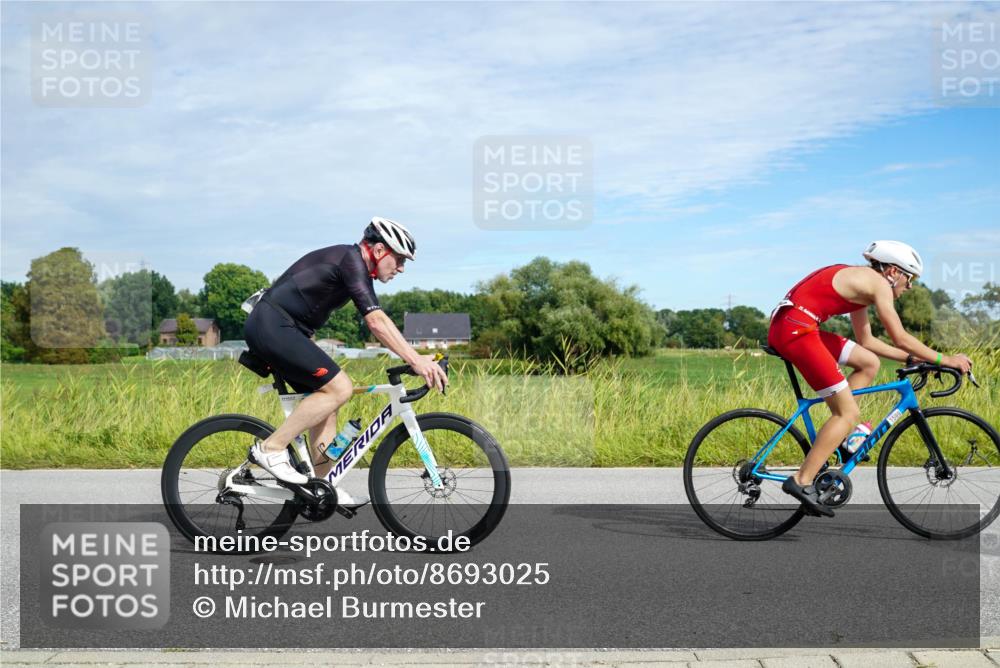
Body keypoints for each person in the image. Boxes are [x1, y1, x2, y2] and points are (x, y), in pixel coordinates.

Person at [243, 217, 448, 507]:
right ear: (379, 251)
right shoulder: (350, 260)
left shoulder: (353, 264)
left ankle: (322, 485)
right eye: (399, 259)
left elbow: (378, 322)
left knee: (327, 402)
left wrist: (417, 357)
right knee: (340, 388)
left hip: (284, 328)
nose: (401, 268)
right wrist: (415, 360)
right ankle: (271, 448)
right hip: (272, 326)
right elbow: (376, 322)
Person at [768, 240, 972, 516]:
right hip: (797, 331)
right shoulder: (876, 284)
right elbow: (900, 336)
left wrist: (913, 360)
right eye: (909, 278)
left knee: (868, 362)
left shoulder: (861, 283)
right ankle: (801, 481)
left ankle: (842, 436)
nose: (910, 286)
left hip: (794, 326)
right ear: (892, 272)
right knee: (847, 413)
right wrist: (945, 359)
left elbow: (867, 340)